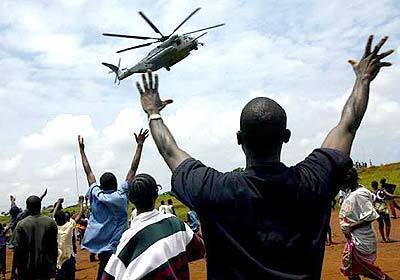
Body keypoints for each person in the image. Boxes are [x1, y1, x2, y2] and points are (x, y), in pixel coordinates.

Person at [133, 35, 393, 278]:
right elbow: (348, 125)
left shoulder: (212, 189)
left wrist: (153, 112)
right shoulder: (314, 179)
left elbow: (170, 151)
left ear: (239, 139)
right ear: (286, 136)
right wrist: (362, 79)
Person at [103, 174, 205, 280]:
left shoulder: (128, 238)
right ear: (156, 195)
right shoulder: (176, 223)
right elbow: (199, 249)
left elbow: (109, 275)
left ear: (131, 200)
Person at [78, 128, 149, 280]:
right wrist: (139, 145)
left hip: (103, 250)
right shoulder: (121, 195)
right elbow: (133, 168)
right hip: (120, 246)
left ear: (101, 186)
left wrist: (82, 151)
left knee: (104, 271)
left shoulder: (96, 195)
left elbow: (88, 172)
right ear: (117, 184)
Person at [339, 169, 391, 280]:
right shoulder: (354, 192)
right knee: (351, 270)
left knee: (369, 272)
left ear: (348, 179)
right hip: (354, 239)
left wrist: (350, 227)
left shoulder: (359, 194)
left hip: (360, 240)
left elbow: (370, 215)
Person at [11, 195, 58, 279]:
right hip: (45, 268)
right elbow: (54, 247)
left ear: (27, 207)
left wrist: (13, 270)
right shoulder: (50, 223)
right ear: (40, 206)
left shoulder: (21, 224)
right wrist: (53, 266)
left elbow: (17, 250)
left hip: (25, 269)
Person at [53, 197, 84, 280]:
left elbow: (53, 215)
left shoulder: (54, 227)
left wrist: (58, 202)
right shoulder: (69, 227)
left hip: (58, 259)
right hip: (69, 257)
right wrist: (81, 202)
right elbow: (80, 214)